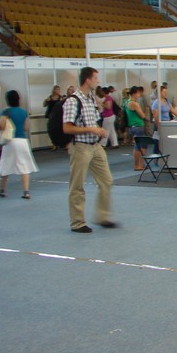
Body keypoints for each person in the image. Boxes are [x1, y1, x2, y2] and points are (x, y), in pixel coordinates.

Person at [62, 67, 117, 233]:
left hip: (95, 146)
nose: (97, 81)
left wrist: (98, 130)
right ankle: (77, 223)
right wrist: (91, 129)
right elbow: (67, 128)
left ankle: (102, 216)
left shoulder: (91, 99)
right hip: (80, 147)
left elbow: (95, 120)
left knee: (107, 181)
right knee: (77, 185)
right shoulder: (73, 101)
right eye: (95, 78)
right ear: (87, 79)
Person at [0, 90, 39, 199]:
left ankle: (2, 189)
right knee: (24, 166)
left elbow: (2, 126)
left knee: (5, 164)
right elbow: (26, 128)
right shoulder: (23, 112)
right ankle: (26, 191)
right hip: (23, 141)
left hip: (10, 141)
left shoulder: (6, 112)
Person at [126, 86, 149, 171]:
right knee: (139, 146)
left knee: (141, 145)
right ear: (133, 94)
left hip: (133, 126)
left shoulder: (127, 102)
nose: (139, 95)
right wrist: (147, 117)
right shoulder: (134, 103)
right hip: (138, 126)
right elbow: (142, 115)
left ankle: (140, 164)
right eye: (138, 93)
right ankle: (138, 165)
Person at [43, 85, 63, 150]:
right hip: (51, 116)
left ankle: (61, 143)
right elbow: (44, 105)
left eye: (59, 89)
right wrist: (46, 101)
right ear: (54, 90)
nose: (58, 91)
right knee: (51, 130)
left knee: (60, 130)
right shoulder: (50, 97)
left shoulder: (61, 98)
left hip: (59, 116)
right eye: (57, 89)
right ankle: (54, 144)